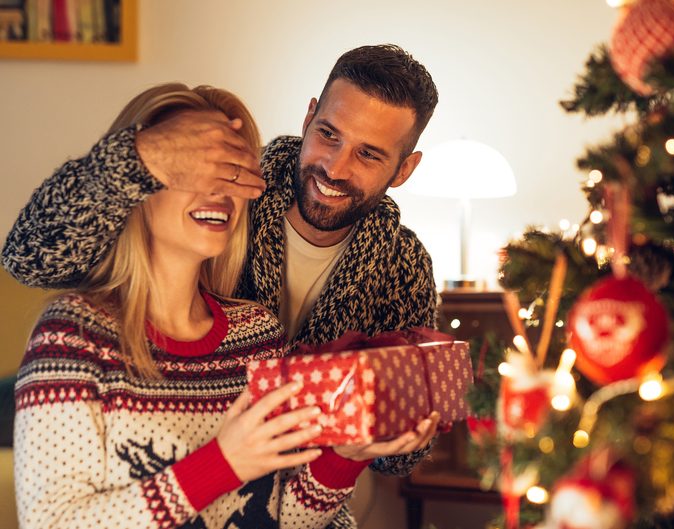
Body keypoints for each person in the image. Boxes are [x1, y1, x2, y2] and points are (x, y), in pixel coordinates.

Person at [3, 44, 441, 527]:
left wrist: (364, 441)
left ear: (404, 169)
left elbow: (283, 504)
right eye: (329, 135)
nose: (335, 168)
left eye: (369, 154)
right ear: (309, 118)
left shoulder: (395, 267)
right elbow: (30, 256)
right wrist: (139, 156)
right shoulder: (237, 194)